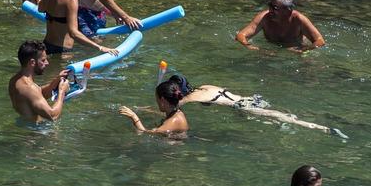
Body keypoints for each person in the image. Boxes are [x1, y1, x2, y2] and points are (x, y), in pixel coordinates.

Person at [175, 82, 339, 135]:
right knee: (278, 115)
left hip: (242, 107)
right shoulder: (206, 86)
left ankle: (321, 128)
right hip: (251, 99)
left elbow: (173, 109)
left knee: (280, 117)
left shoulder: (190, 98)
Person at [36, 0, 111, 60]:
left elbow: (40, 9)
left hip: (46, 45)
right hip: (62, 51)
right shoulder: (71, 1)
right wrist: (99, 47)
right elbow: (74, 33)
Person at [9, 40, 78, 122]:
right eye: (43, 60)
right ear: (32, 62)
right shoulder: (29, 88)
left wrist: (55, 82)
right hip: (37, 132)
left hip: (28, 126)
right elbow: (52, 116)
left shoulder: (16, 80)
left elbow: (36, 95)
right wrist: (61, 92)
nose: (47, 63)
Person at [236, 0, 326, 51]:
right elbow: (241, 35)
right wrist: (250, 47)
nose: (270, 10)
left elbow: (320, 41)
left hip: (295, 50)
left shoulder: (299, 19)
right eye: (270, 5)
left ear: (288, 11)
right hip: (272, 51)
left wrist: (302, 50)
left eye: (274, 8)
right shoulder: (264, 17)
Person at [119, 73, 190, 135]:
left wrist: (134, 117)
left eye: (157, 100)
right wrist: (140, 109)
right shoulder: (176, 111)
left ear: (162, 100)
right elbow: (159, 112)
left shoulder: (173, 121)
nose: (157, 103)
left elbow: (145, 132)